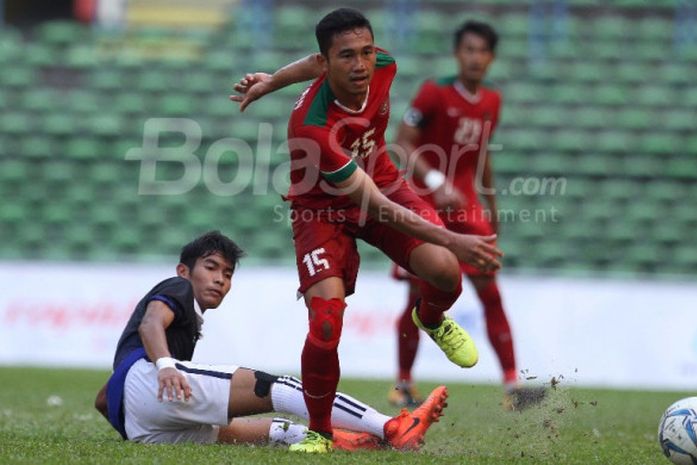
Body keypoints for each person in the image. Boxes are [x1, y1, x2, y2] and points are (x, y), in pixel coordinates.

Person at [230, 8, 502, 452]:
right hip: (321, 209)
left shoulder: (384, 65)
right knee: (325, 324)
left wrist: (272, 79)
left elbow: (314, 61)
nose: (360, 65)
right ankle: (320, 433)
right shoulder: (311, 127)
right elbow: (372, 204)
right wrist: (455, 236)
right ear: (327, 62)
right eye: (346, 57)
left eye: (366, 52)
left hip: (384, 175)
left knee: (446, 272)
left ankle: (429, 317)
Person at [93, 231, 449, 452]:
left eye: (227, 273)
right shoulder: (177, 287)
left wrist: (136, 417)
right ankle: (391, 427)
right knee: (277, 387)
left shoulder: (188, 316)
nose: (220, 279)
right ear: (184, 270)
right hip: (149, 383)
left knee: (272, 433)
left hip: (140, 426)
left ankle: (369, 445)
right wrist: (166, 367)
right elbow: (152, 323)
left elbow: (102, 400)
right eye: (211, 267)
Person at [388, 20, 545, 411]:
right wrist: (437, 180)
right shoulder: (434, 92)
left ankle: (513, 387)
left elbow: (482, 155)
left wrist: (492, 206)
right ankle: (403, 384)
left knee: (491, 293)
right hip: (426, 205)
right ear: (458, 53)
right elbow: (402, 143)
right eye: (469, 49)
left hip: (468, 209)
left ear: (491, 58)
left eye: (483, 51)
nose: (475, 57)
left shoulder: (492, 100)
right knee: (417, 297)